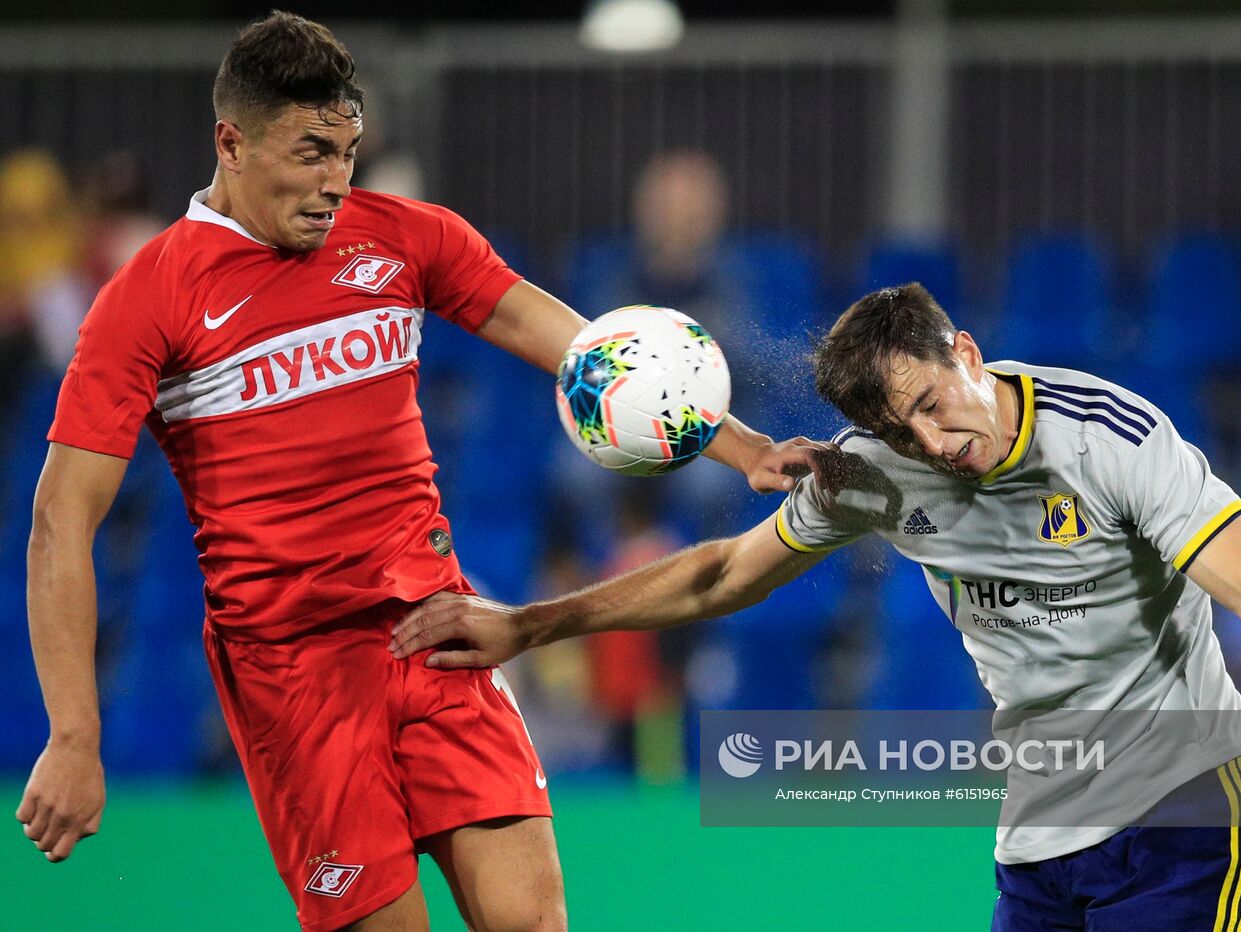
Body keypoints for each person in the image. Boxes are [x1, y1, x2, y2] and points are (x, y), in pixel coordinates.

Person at [16, 13, 821, 932]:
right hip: (296, 674)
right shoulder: (149, 298)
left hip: (436, 631)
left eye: (348, 151)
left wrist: (745, 448)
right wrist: (74, 736)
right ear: (231, 144)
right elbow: (60, 522)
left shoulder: (401, 236)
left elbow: (593, 359)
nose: (335, 181)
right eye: (311, 152)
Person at [388, 283, 1241, 930]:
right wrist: (530, 623)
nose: (932, 442)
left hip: (1186, 818)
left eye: (931, 403)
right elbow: (719, 575)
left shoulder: (1110, 439)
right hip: (1038, 841)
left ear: (966, 352)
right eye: (900, 430)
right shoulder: (873, 472)